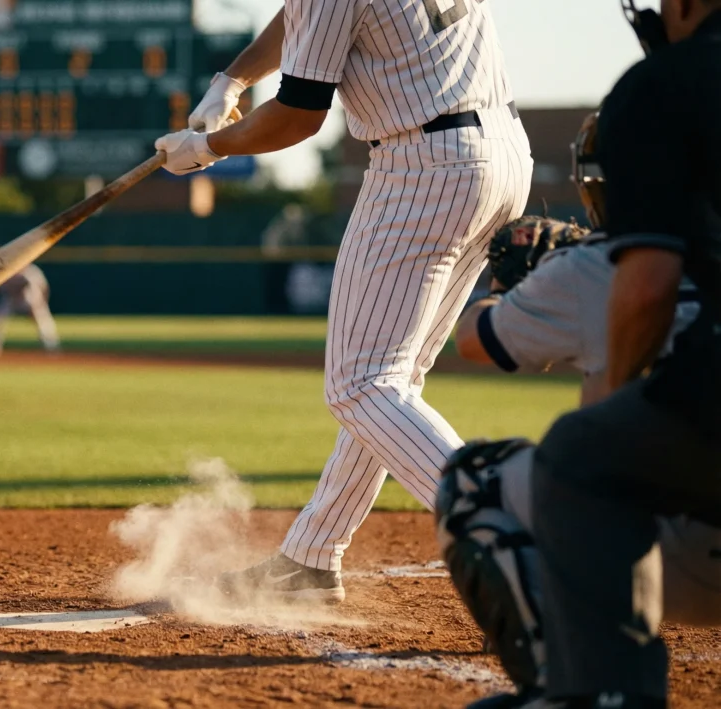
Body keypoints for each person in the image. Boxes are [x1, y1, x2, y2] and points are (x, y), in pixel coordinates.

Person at [155, 0, 532, 601]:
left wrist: (209, 148)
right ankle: (310, 557)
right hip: (500, 153)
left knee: (361, 386)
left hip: (425, 164)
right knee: (391, 382)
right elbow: (304, 17)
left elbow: (298, 116)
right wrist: (233, 80)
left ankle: (513, 534)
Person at [438, 1, 721, 705]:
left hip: (678, 542)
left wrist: (519, 283)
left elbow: (476, 339)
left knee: (518, 471)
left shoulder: (665, 91)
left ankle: (584, 687)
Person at [437, 212, 720, 706]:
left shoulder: (599, 263)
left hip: (674, 557)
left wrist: (504, 287)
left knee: (476, 480)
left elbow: (472, 340)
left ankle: (575, 687)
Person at [0, 264, 60, 360]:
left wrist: (42, 302)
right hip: (11, 300)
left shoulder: (32, 272)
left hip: (29, 300)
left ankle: (51, 346)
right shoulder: (7, 271)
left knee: (42, 318)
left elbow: (43, 288)